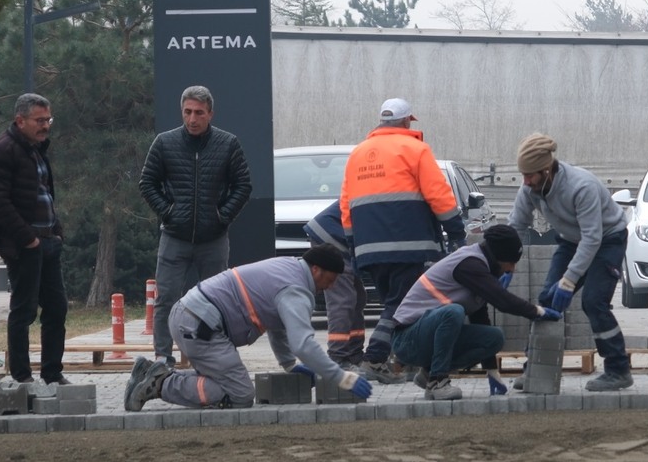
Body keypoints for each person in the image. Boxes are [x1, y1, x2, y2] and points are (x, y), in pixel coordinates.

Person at [123, 244, 373, 410]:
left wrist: (289, 364)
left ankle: (151, 373)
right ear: (316, 269)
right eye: (330, 280)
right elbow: (304, 344)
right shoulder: (296, 290)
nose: (330, 287)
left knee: (224, 382)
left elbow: (277, 323)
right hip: (200, 326)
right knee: (240, 394)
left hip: (190, 317)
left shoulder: (287, 267)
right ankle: (160, 385)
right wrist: (341, 377)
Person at [340, 98, 465, 377]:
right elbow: (438, 194)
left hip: (369, 248)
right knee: (401, 306)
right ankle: (374, 359)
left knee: (392, 304)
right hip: (409, 245)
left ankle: (402, 363)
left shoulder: (358, 154)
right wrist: (456, 231)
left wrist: (352, 244)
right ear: (407, 121)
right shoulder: (415, 149)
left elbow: (346, 205)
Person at [509, 132, 635, 391]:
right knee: (546, 300)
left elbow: (592, 238)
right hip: (571, 240)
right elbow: (516, 226)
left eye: (530, 175)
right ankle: (536, 368)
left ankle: (618, 369)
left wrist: (568, 281)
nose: (526, 181)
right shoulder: (530, 189)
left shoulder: (581, 187)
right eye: (523, 175)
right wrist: (505, 262)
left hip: (608, 240)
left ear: (546, 170)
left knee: (594, 302)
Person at [138, 85, 253, 360]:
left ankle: (213, 357)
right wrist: (168, 212)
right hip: (174, 237)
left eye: (199, 113)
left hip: (213, 239)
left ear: (210, 114)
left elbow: (243, 185)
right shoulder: (165, 142)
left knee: (216, 301)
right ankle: (162, 358)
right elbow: (147, 183)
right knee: (165, 299)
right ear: (181, 111)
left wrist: (222, 217)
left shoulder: (228, 143)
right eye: (187, 112)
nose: (192, 119)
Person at [385, 224, 561, 400]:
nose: (511, 270)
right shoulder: (469, 263)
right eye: (511, 263)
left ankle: (429, 373)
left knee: (493, 337)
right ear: (498, 256)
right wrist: (537, 311)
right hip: (406, 339)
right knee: (453, 312)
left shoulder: (481, 267)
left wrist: (492, 372)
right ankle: (437, 381)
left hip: (426, 336)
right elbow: (503, 301)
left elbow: (480, 318)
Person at [0, 93, 68, 395]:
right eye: (39, 120)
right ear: (20, 120)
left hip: (48, 241)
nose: (46, 126)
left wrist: (56, 231)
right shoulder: (3, 150)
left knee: (56, 308)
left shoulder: (36, 150)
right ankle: (22, 375)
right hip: (25, 246)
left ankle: (53, 374)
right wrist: (28, 239)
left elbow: (44, 193)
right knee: (24, 310)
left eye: (48, 119)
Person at [303, 199, 366, 365]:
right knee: (343, 299)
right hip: (333, 234)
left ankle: (354, 353)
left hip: (336, 231)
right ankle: (339, 357)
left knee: (357, 297)